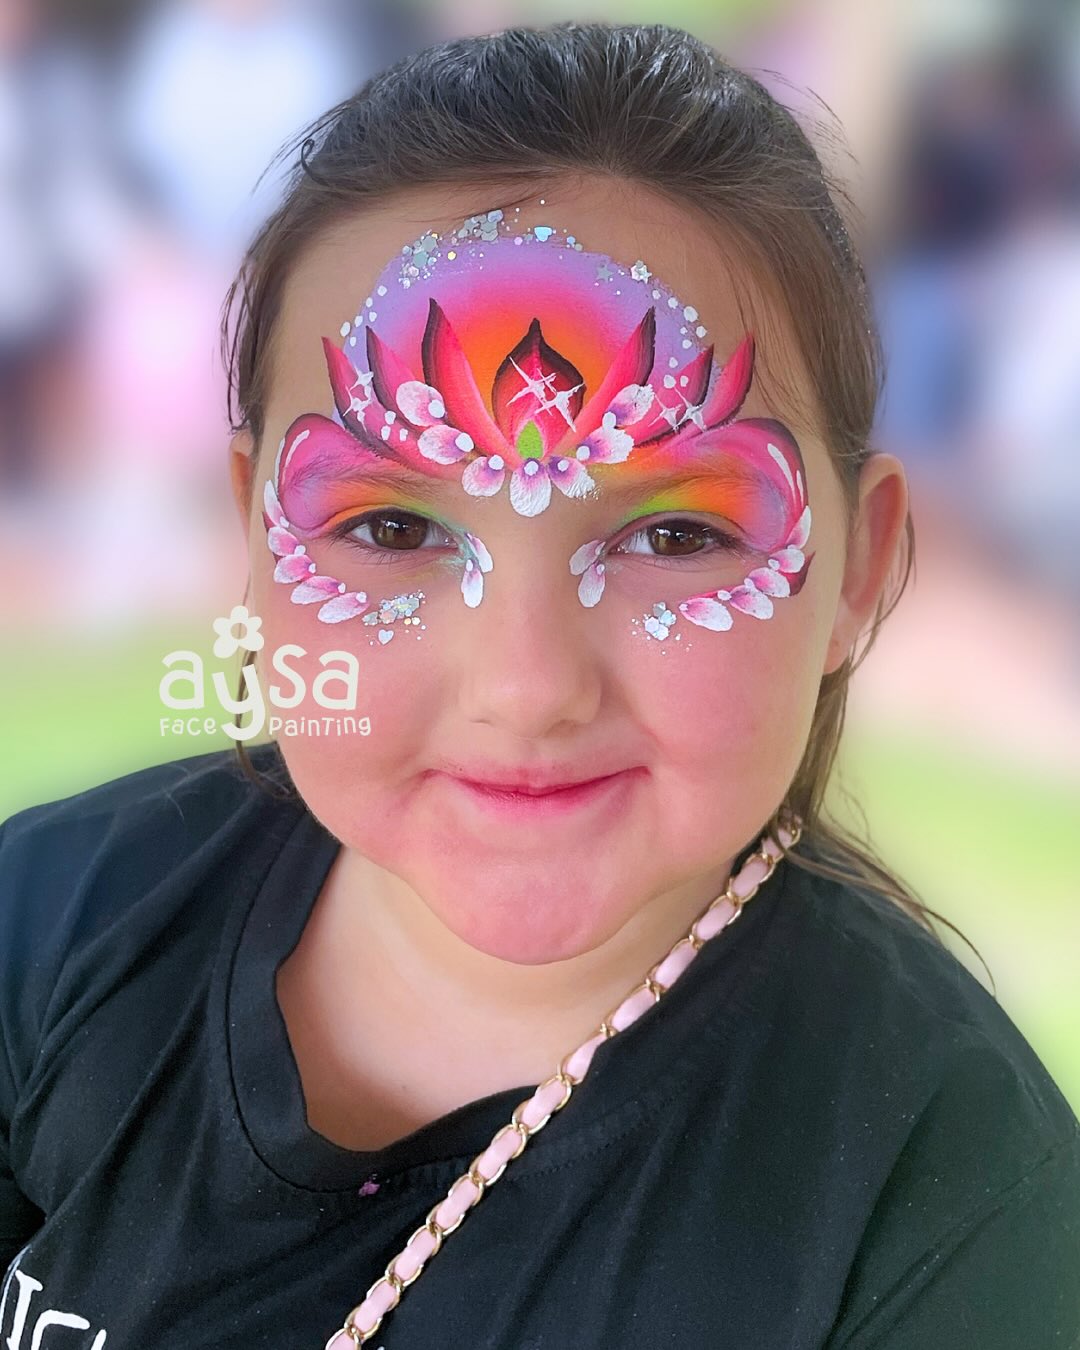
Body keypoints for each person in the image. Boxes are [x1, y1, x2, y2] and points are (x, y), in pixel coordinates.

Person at [2, 22, 1078, 1350]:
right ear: (255, 531)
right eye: (393, 529)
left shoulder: (954, 1197)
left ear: (858, 571)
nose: (525, 686)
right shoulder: (47, 920)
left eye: (677, 534)